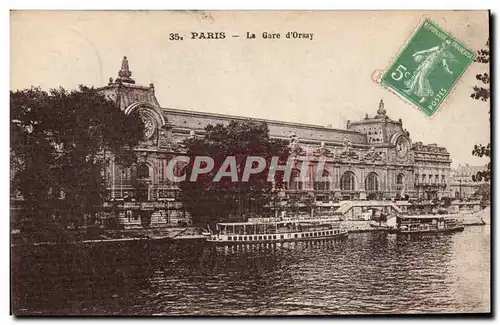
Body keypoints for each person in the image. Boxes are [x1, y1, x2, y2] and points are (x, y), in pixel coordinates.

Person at [404, 39, 455, 103]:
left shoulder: (444, 54)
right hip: (425, 63)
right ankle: (411, 90)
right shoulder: (437, 48)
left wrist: (449, 71)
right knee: (417, 75)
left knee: (421, 78)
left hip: (429, 66)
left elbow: (445, 65)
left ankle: (423, 96)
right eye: (445, 43)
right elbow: (427, 51)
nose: (445, 45)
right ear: (443, 43)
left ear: (448, 47)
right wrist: (417, 53)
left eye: (447, 45)